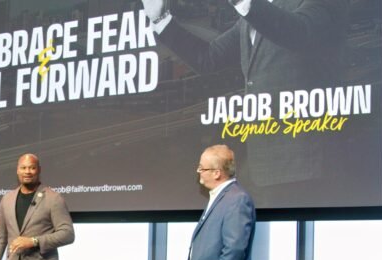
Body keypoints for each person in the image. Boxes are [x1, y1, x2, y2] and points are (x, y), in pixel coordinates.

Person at [141, 0, 348, 188]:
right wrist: (161, 20)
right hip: (263, 165)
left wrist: (244, 2)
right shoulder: (251, 15)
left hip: (306, 164)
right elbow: (209, 58)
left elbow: (300, 32)